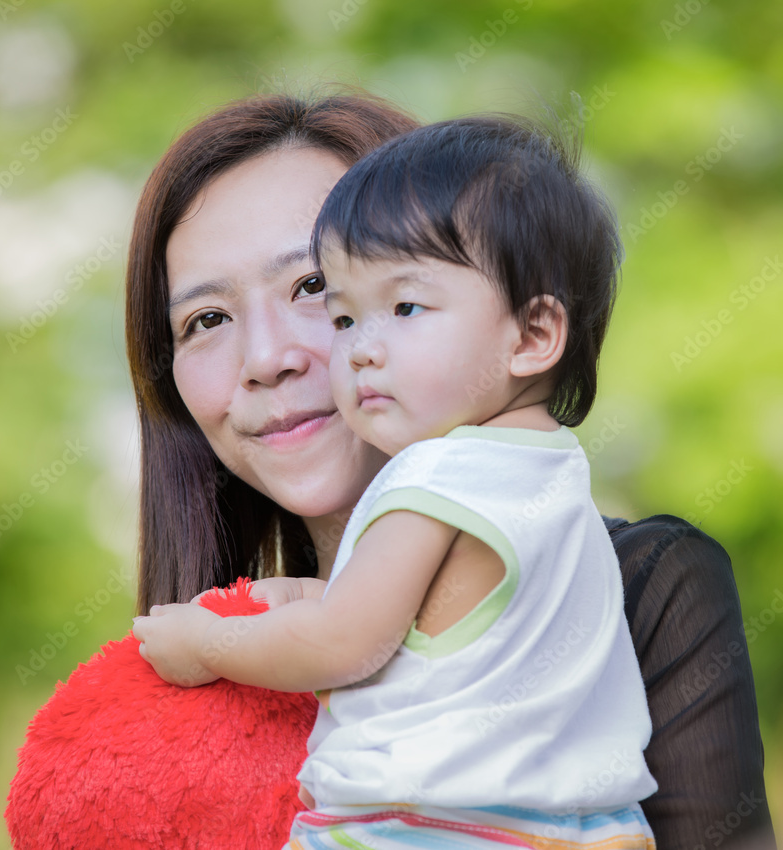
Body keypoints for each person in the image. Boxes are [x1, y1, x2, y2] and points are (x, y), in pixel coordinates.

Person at [15, 90, 773, 850]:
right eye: (206, 319)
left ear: (527, 325)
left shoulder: (646, 590)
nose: (267, 359)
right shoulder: (180, 697)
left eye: (313, 286)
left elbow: (349, 638)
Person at [133, 114, 660, 847]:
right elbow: (441, 626)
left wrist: (204, 645)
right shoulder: (550, 470)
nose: (362, 351)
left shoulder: (439, 471)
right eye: (345, 315)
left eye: (403, 306)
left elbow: (348, 642)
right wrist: (308, 596)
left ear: (535, 333)